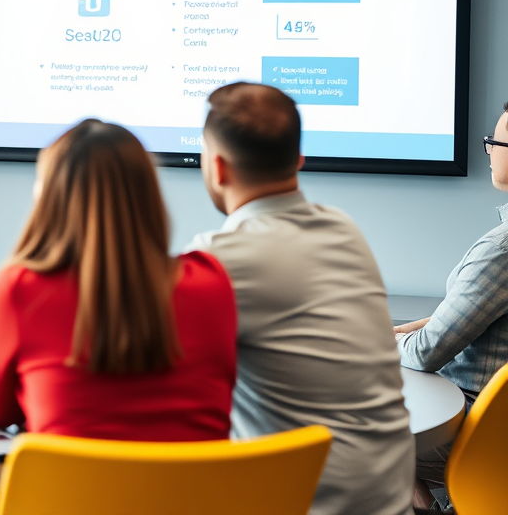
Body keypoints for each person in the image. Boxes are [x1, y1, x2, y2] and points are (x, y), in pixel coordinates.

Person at [188, 82, 414, 515]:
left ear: (217, 167)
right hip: (389, 498)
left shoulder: (218, 259)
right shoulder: (342, 226)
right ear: (298, 160)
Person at [0, 119, 237, 441]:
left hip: (68, 492)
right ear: (149, 196)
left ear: (48, 197)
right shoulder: (211, 282)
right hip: (196, 492)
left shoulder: (20, 290)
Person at [395, 102, 508, 510]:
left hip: (477, 429)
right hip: (494, 417)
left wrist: (382, 346)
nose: (491, 151)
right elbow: (470, 316)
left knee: (344, 430)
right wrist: (402, 331)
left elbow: (427, 353)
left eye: (496, 142)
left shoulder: (501, 249)